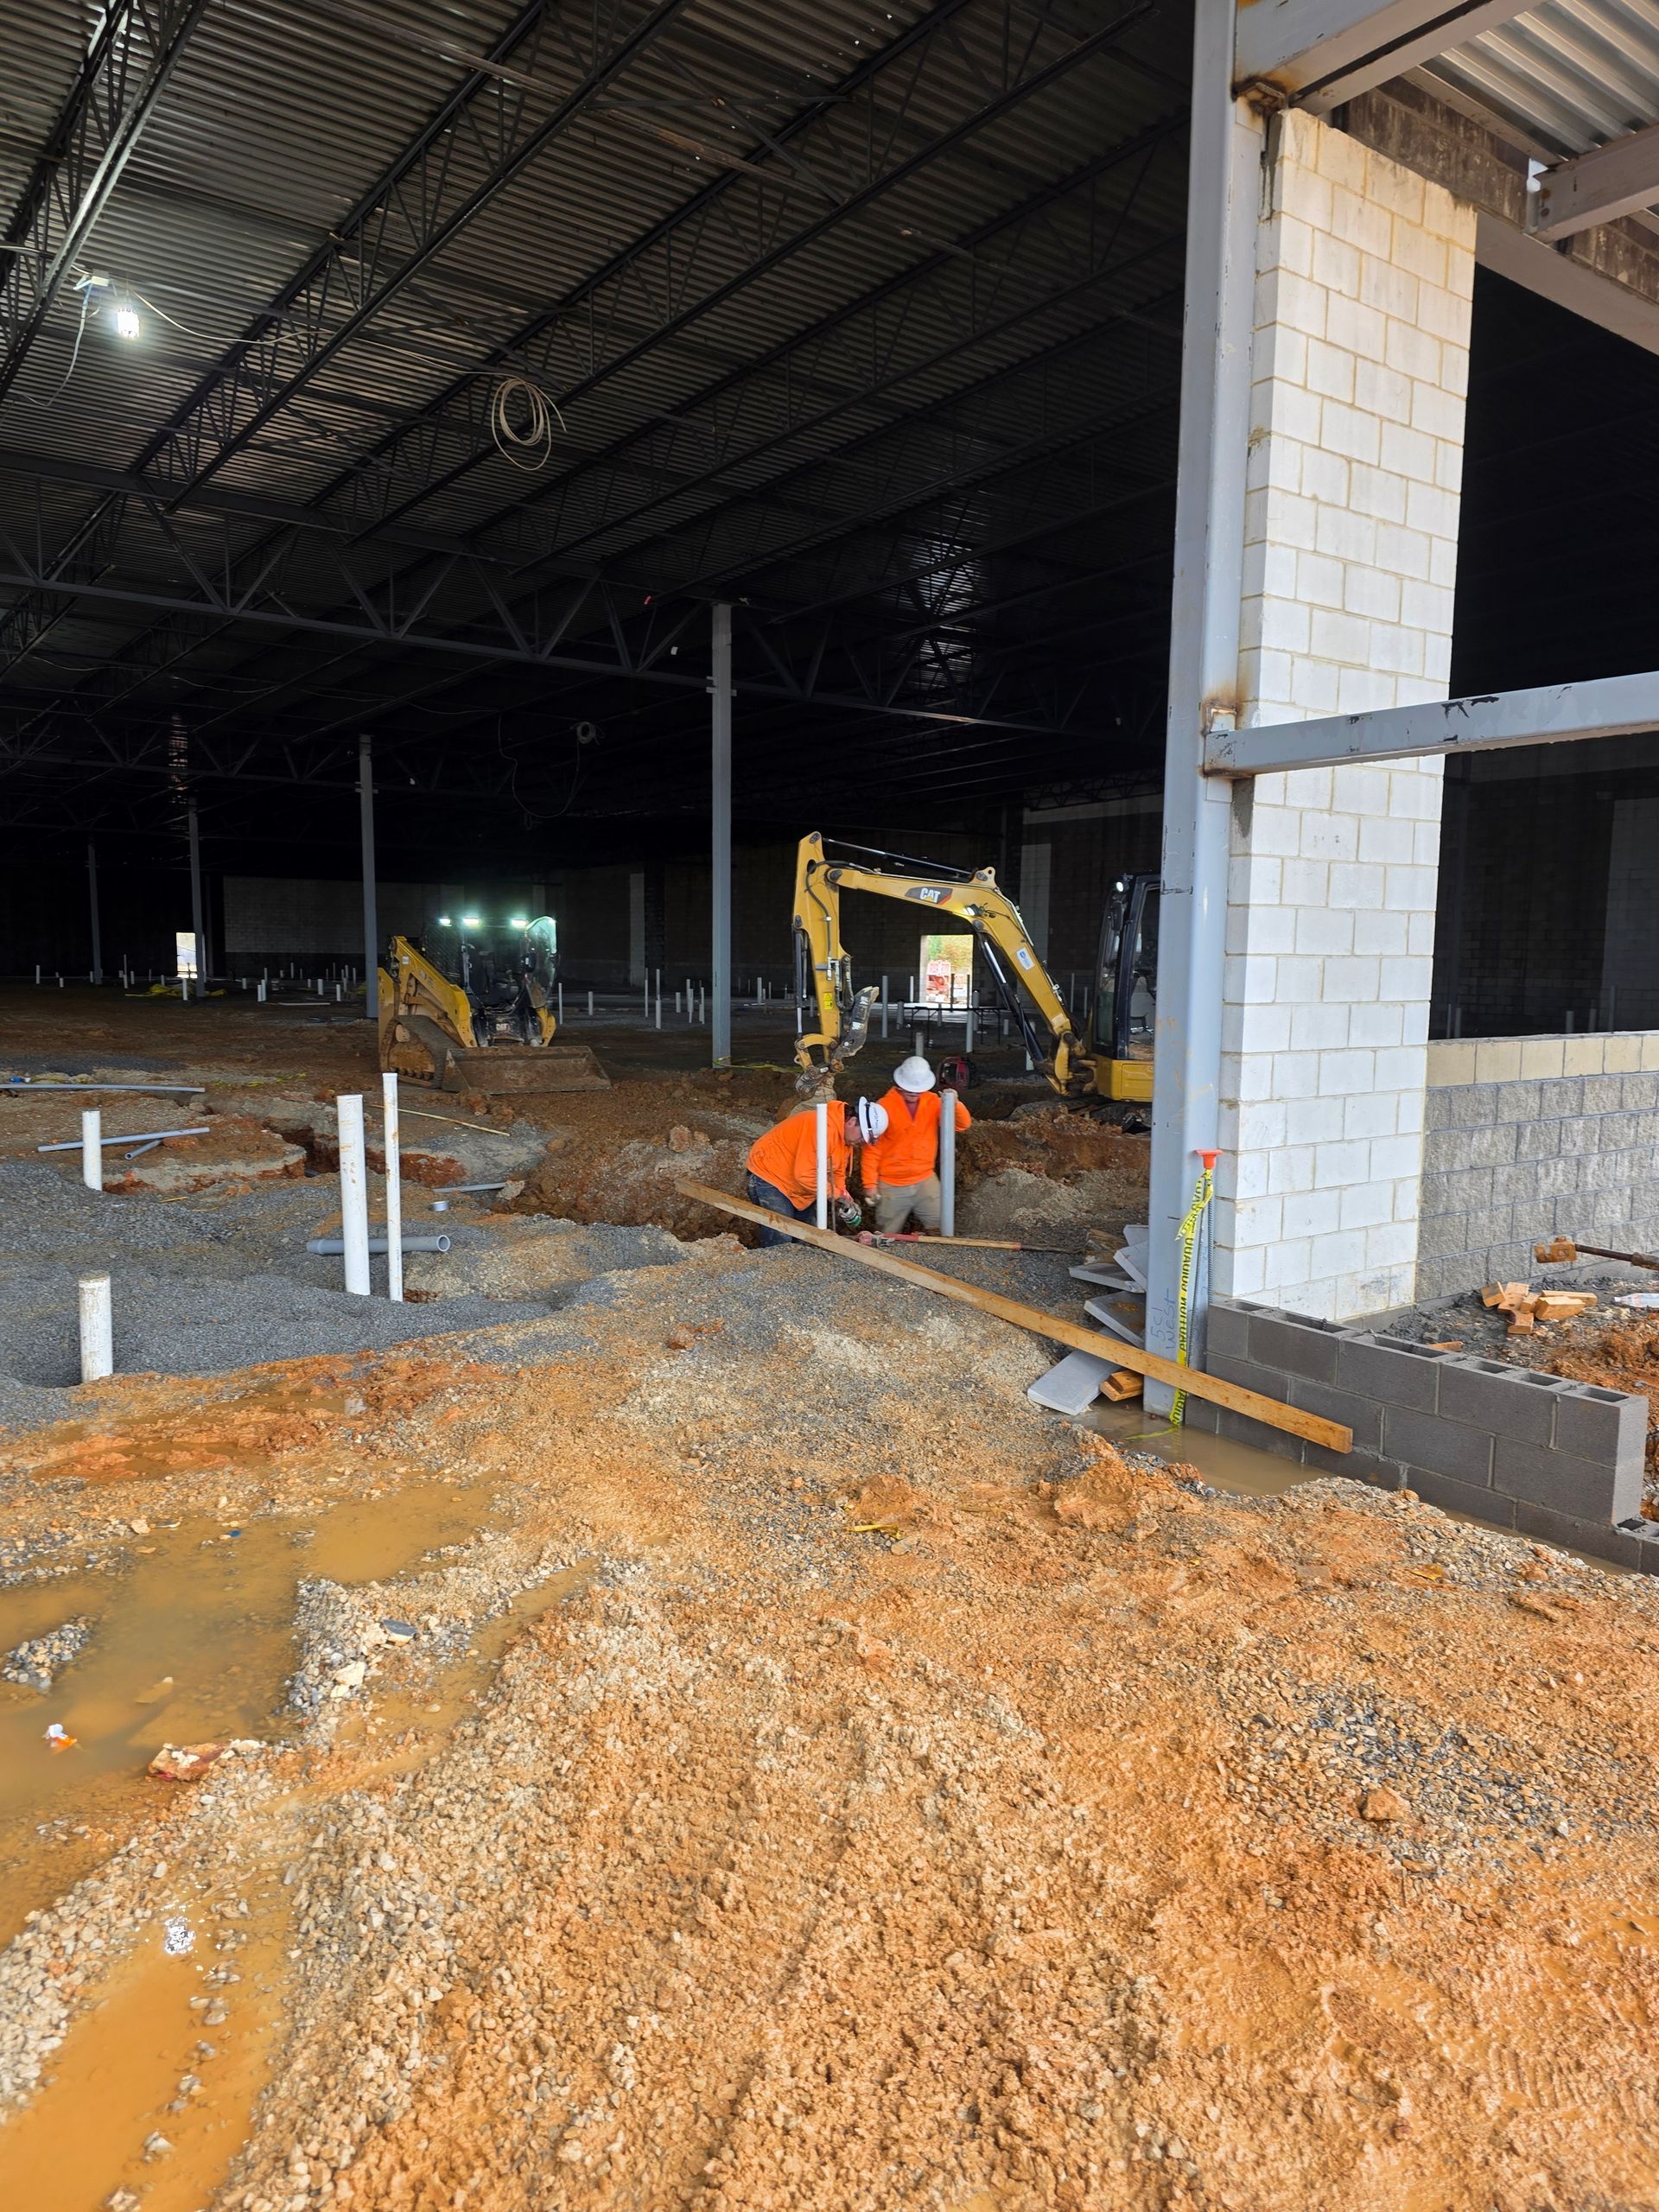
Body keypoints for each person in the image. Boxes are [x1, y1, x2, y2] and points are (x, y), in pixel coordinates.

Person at [746, 1095, 887, 1247]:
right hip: (770, 1178)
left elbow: (837, 1171)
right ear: (852, 1122)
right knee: (781, 1238)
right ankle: (773, 1267)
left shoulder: (845, 1138)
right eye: (863, 1138)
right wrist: (835, 1194)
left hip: (798, 1186)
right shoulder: (820, 1128)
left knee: (808, 1238)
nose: (862, 1143)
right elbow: (804, 1174)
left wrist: (844, 1197)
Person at [861, 1055, 970, 1234]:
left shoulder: (933, 1102)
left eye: (917, 1089)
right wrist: (870, 1184)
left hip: (925, 1179)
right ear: (899, 1084)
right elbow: (872, 1149)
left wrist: (954, 1104)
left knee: (942, 1227)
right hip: (892, 1184)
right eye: (909, 1088)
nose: (913, 1093)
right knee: (886, 1234)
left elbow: (962, 1124)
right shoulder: (884, 1107)